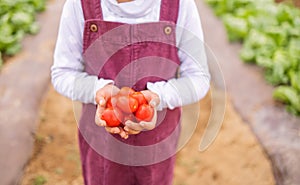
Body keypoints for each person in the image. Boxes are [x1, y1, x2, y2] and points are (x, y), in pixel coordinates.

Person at [51, 0, 210, 184]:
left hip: (157, 137)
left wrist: (158, 97)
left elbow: (199, 77)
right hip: (101, 135)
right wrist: (98, 90)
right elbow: (62, 72)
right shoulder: (79, 5)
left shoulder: (180, 5)